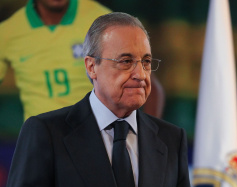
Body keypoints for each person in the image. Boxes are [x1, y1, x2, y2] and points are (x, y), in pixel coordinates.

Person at [2, 12, 201, 187]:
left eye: (147, 62)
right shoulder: (46, 134)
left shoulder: (170, 140)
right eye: (126, 61)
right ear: (91, 66)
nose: (140, 74)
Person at [0, 0, 164, 120]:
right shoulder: (8, 33)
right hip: (41, 142)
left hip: (95, 139)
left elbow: (147, 83)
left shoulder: (100, 19)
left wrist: (145, 139)